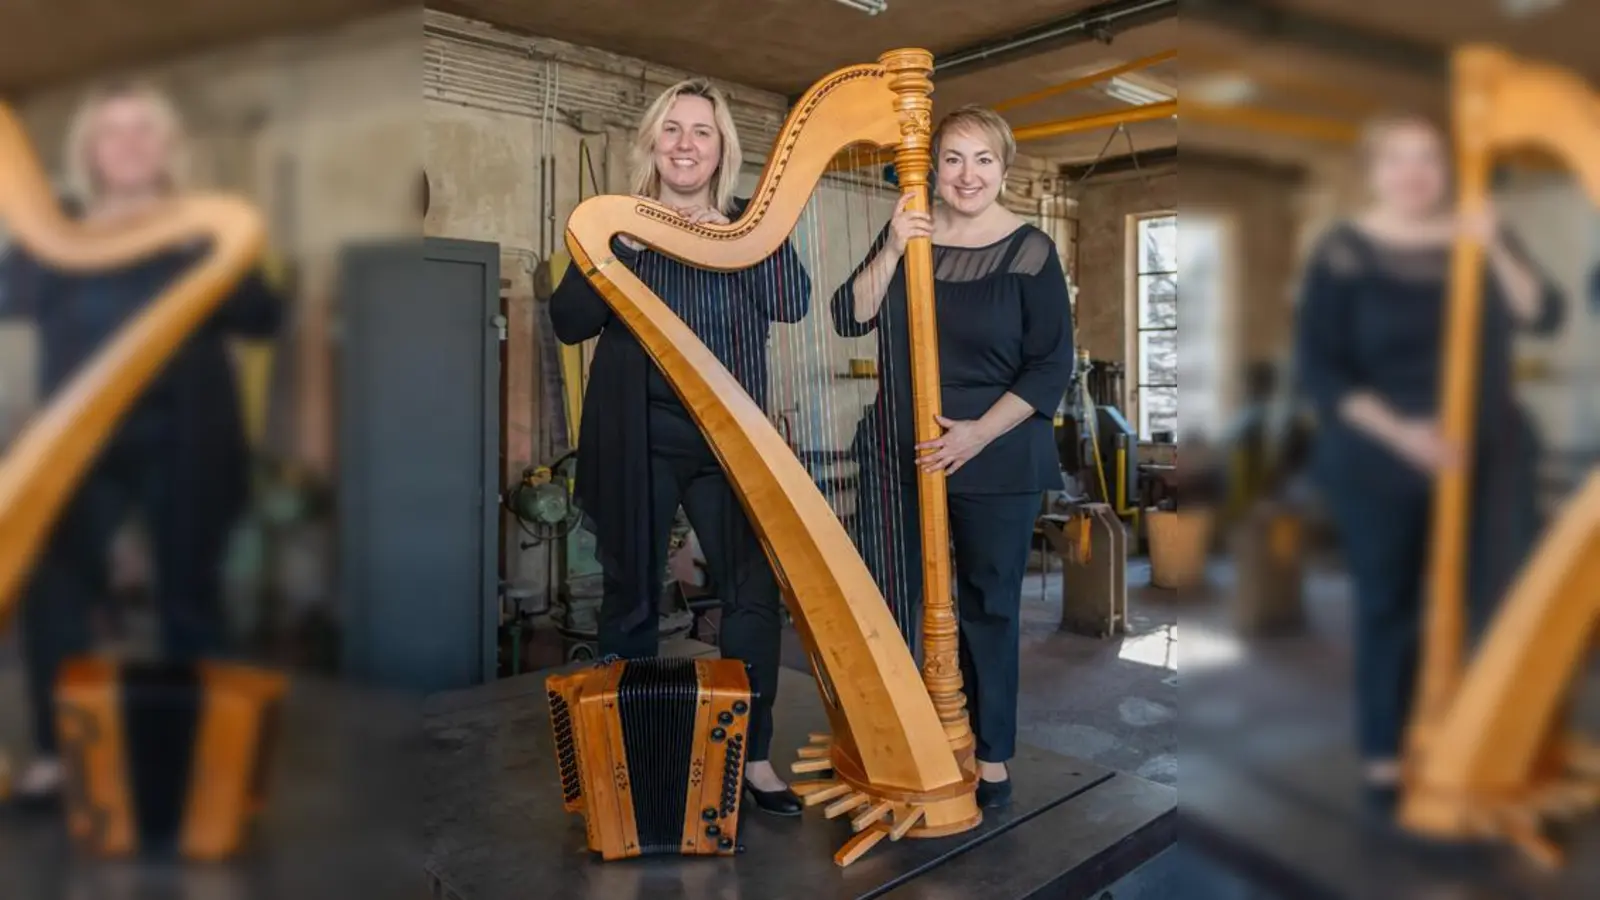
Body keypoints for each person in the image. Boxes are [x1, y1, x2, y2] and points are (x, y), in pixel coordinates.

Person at [0, 81, 284, 805]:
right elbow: (10, 299)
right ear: (88, 151)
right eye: (112, 132)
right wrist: (52, 239)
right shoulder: (57, 229)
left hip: (190, 435)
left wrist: (209, 254)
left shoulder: (201, 226)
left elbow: (261, 318)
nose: (128, 145)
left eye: (143, 131)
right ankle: (64, 757)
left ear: (166, 147)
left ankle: (204, 764)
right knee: (55, 595)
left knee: (191, 599)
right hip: (79, 441)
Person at [548, 78, 811, 816]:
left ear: (721, 147)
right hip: (637, 429)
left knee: (753, 594)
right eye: (672, 130)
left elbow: (792, 302)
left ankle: (754, 757)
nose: (686, 144)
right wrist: (612, 253)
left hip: (732, 435)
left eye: (702, 131)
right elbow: (568, 322)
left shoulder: (744, 227)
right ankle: (625, 758)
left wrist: (759, 228)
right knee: (630, 595)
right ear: (651, 145)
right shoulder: (614, 226)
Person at [1293, 112, 1563, 813]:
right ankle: (1386, 754)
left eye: (1429, 160)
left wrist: (1494, 245)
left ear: (1447, 172)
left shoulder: (1480, 239)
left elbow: (1544, 314)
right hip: (1381, 456)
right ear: (1375, 171)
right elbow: (1322, 371)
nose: (1414, 173)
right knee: (1390, 610)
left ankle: (1489, 744)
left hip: (1492, 452)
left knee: (1499, 604)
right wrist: (1407, 436)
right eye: (1398, 159)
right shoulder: (1345, 252)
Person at [830, 105, 1076, 809]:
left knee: (986, 606)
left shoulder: (1031, 251)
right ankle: (905, 736)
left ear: (1005, 169)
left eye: (983, 160)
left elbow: (1048, 367)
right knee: (889, 595)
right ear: (930, 169)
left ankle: (990, 752)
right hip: (897, 444)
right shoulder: (906, 232)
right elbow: (850, 315)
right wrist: (892, 246)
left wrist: (973, 434)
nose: (967, 175)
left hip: (995, 449)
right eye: (953, 159)